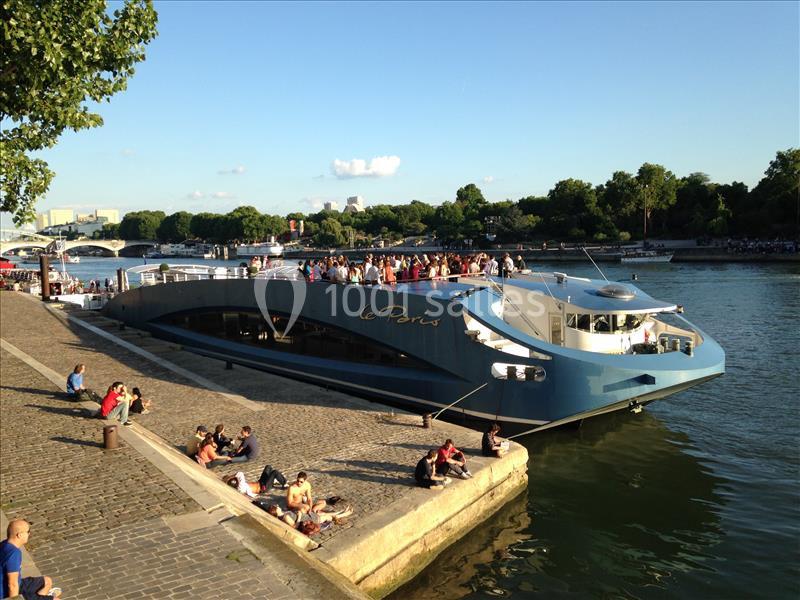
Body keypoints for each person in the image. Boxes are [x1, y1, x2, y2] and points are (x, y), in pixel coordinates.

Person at [1, 519, 61, 599]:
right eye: (28, 531)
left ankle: (42, 597)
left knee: (47, 581)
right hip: (6, 593)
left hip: (18, 584)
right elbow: (12, 585)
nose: (29, 534)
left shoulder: (4, 544)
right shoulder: (13, 554)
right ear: (19, 535)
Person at [265, 504, 352, 528]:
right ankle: (343, 514)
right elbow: (294, 526)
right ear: (276, 511)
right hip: (307, 519)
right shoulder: (285, 517)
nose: (278, 506)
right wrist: (299, 516)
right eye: (276, 507)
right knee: (326, 517)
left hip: (307, 516)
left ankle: (341, 512)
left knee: (323, 514)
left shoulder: (283, 514)